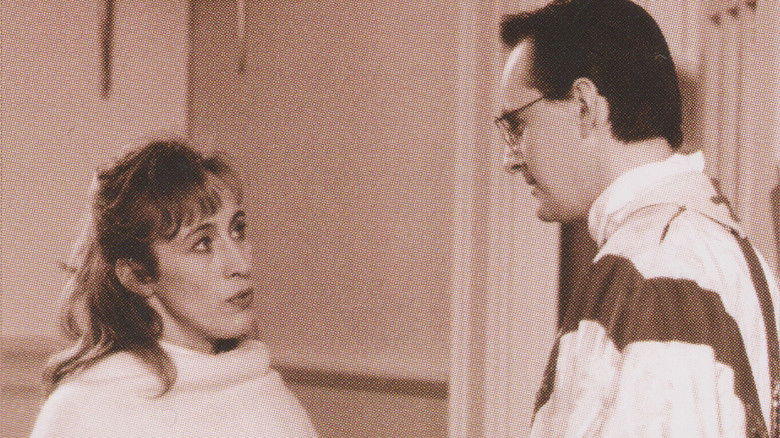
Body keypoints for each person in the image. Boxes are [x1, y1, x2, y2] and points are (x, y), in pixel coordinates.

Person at [496, 0, 779, 436]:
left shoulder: (659, 266)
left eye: (516, 126)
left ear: (586, 105)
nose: (510, 159)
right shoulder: (693, 244)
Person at [30, 138, 318, 437]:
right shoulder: (87, 410)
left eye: (237, 230)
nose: (241, 264)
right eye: (202, 243)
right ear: (139, 276)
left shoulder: (264, 391)